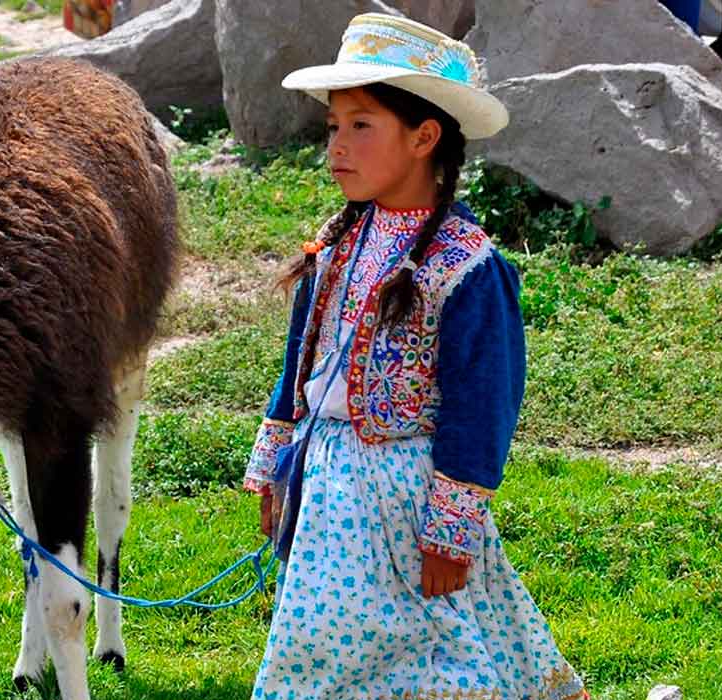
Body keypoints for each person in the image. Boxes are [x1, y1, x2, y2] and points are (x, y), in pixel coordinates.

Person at [242, 13, 586, 700]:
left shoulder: (465, 266)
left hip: (408, 496)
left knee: (429, 640)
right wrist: (276, 465)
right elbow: (300, 365)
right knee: (325, 639)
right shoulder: (335, 244)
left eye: (361, 125)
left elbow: (481, 405)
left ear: (425, 137)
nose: (337, 145)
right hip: (328, 489)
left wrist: (450, 529)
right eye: (334, 126)